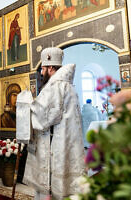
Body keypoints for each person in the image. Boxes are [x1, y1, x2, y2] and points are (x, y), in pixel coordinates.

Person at [18, 47, 85, 199]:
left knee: (50, 191)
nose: (41, 73)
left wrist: (26, 103)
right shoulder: (69, 86)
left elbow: (44, 117)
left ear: (50, 68)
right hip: (66, 141)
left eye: (42, 68)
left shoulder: (55, 86)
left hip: (53, 145)